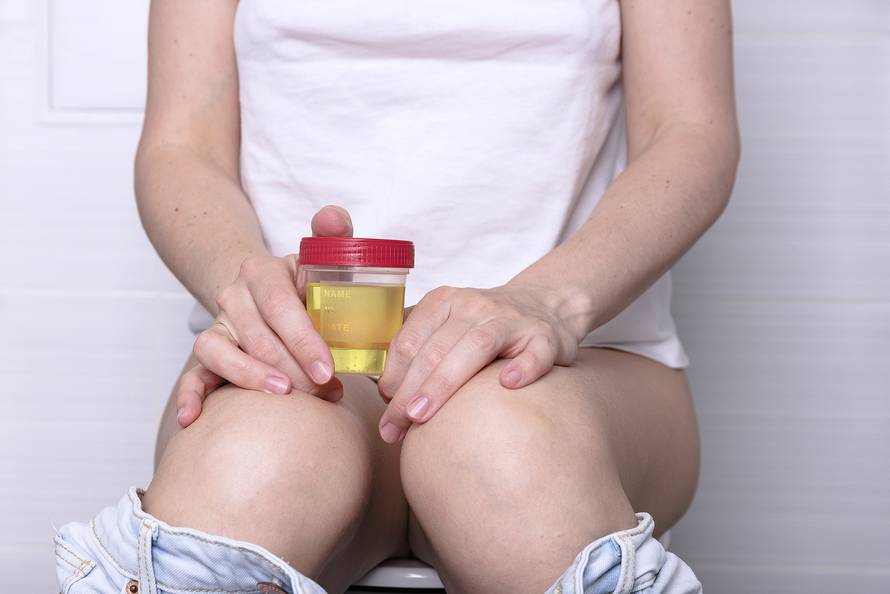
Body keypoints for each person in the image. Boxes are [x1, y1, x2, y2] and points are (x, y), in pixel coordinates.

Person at [54, 0, 739, 592]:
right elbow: (182, 143)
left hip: (584, 370)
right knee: (249, 468)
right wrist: (245, 281)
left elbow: (690, 132)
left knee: (504, 453)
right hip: (311, 362)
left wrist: (549, 301)